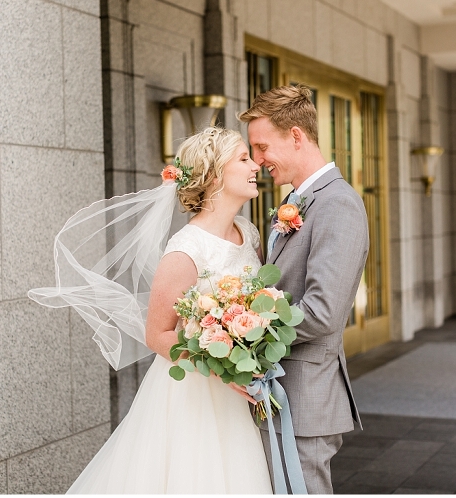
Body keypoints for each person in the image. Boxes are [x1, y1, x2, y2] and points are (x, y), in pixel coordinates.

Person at [29, 127, 273, 493]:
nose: (255, 166)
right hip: (198, 391)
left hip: (240, 389)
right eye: (243, 159)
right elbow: (157, 334)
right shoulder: (186, 248)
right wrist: (223, 369)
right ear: (212, 176)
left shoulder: (246, 231)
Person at [238, 85, 369, 494]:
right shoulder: (299, 202)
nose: (258, 161)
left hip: (304, 400)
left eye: (262, 147)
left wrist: (241, 329)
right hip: (280, 393)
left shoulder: (337, 204)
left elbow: (322, 312)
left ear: (296, 136)